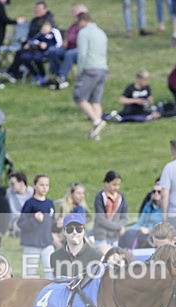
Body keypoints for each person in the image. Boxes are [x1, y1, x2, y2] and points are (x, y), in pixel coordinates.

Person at [74, 11, 109, 140]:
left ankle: (97, 121)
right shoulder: (101, 32)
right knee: (95, 100)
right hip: (103, 68)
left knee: (80, 97)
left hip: (90, 69)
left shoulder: (84, 33)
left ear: (82, 21)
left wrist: (80, 70)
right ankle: (96, 133)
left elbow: (82, 54)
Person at [18, 174, 56, 278]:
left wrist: (59, 225)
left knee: (51, 271)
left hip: (47, 244)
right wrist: (34, 219)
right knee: (29, 274)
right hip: (32, 244)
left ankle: (51, 292)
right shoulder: (30, 204)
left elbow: (51, 226)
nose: (44, 188)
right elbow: (21, 224)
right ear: (35, 185)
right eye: (41, 185)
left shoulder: (50, 204)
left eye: (47, 185)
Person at [5, 19, 61, 84]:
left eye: (46, 28)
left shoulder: (54, 33)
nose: (44, 30)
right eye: (43, 29)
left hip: (47, 52)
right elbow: (34, 40)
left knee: (37, 58)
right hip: (36, 51)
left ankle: (42, 75)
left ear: (50, 27)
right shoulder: (40, 34)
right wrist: (29, 44)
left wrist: (47, 46)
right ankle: (35, 74)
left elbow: (58, 44)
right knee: (24, 57)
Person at [46, 3, 87, 90]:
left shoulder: (85, 26)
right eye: (73, 13)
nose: (73, 15)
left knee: (69, 54)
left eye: (75, 13)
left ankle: (61, 77)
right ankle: (56, 75)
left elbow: (81, 40)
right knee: (52, 50)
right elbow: (68, 36)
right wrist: (65, 41)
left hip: (80, 50)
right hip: (68, 48)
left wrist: (69, 41)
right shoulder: (73, 25)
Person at [120, 182, 163, 249]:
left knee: (134, 236)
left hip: (155, 235)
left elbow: (165, 227)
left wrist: (149, 230)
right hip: (142, 231)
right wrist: (127, 230)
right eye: (154, 191)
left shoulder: (166, 209)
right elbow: (140, 222)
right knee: (126, 234)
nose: (156, 193)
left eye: (159, 192)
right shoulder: (148, 206)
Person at [92, 170, 128, 251]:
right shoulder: (100, 197)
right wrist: (118, 227)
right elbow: (100, 219)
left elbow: (125, 217)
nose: (117, 187)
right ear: (106, 183)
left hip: (115, 236)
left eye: (118, 185)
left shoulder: (121, 197)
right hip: (101, 235)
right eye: (114, 185)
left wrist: (120, 226)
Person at [6, 171, 34, 237]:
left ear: (21, 183)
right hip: (14, 221)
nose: (11, 186)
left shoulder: (32, 193)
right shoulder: (9, 193)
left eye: (13, 184)